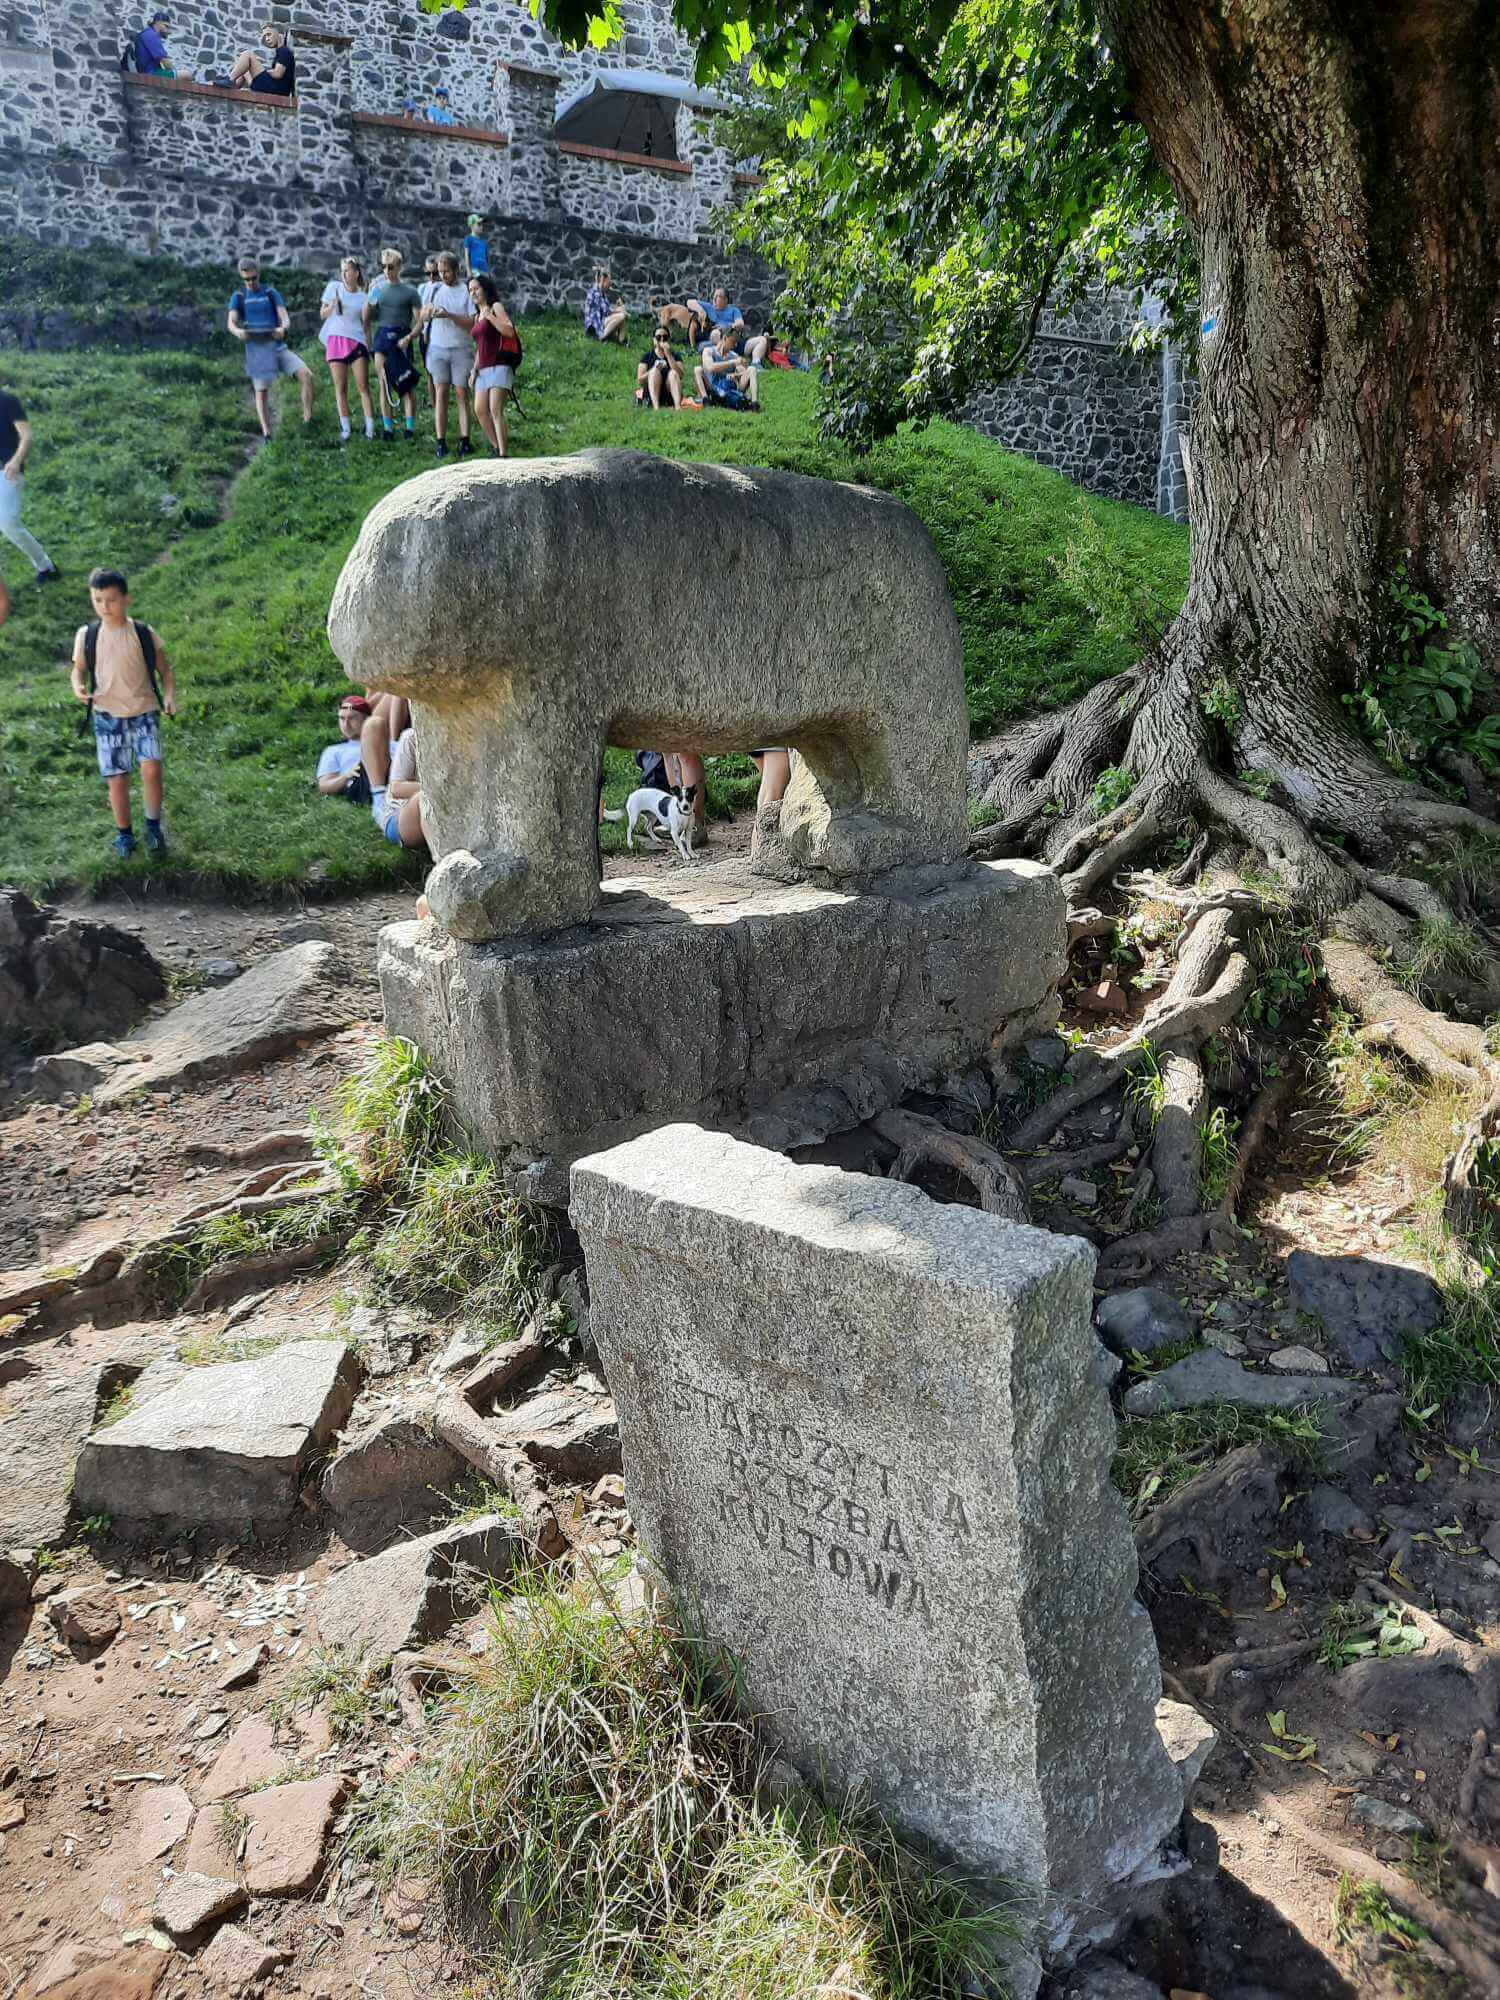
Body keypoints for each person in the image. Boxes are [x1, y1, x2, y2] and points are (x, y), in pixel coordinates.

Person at [70, 567, 176, 858]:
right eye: (98, 599)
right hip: (107, 716)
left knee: (152, 768)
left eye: (111, 600)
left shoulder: (142, 633)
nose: (105, 606)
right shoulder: (87, 635)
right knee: (117, 778)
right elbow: (77, 671)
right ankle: (124, 835)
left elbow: (165, 671)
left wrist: (169, 697)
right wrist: (78, 688)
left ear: (127, 599)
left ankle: (153, 827)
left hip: (144, 710)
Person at [227, 256, 315, 435]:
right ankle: (267, 433)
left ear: (259, 274)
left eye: (254, 278)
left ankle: (308, 420)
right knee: (261, 391)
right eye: (247, 279)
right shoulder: (239, 297)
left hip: (278, 347)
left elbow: (285, 317)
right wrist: (238, 332)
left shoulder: (270, 293)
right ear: (242, 278)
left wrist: (283, 328)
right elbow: (231, 322)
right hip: (258, 351)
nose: (251, 282)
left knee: (306, 375)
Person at [0, 381, 59, 586]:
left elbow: (27, 436)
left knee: (7, 521)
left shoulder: (8, 401)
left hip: (7, 471)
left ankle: (45, 566)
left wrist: (16, 461)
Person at [422, 251, 475, 458]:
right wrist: (427, 314)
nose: (443, 275)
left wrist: (448, 315)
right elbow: (423, 316)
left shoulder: (465, 292)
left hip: (461, 348)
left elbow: (471, 322)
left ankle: (465, 440)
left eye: (446, 271)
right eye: (440, 272)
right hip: (437, 347)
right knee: (441, 393)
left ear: (456, 270)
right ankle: (441, 441)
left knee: (462, 394)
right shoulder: (434, 290)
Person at [365, 249, 422, 441]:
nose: (387, 271)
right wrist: (369, 296)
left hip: (402, 336)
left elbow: (420, 321)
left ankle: (409, 427)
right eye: (384, 267)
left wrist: (411, 337)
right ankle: (388, 429)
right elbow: (367, 317)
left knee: (406, 383)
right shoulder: (378, 290)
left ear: (399, 267)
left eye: (391, 267)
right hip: (382, 336)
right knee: (384, 384)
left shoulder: (410, 291)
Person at [319, 256, 375, 442]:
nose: (343, 273)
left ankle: (370, 428)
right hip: (336, 340)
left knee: (363, 386)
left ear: (356, 273)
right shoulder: (334, 288)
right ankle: (346, 428)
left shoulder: (363, 297)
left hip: (357, 341)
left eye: (347, 270)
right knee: (340, 387)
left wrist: (369, 346)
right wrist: (333, 305)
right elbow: (323, 314)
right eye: (342, 270)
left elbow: (366, 324)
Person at [466, 273, 518, 457]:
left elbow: (509, 331)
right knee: (480, 410)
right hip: (484, 367)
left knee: (495, 409)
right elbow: (480, 347)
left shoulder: (495, 307)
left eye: (476, 288)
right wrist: (474, 370)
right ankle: (496, 446)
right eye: (470, 290)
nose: (473, 293)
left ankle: (504, 454)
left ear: (485, 289)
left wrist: (491, 318)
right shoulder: (476, 317)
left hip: (500, 364)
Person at [376, 725, 425, 847]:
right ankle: (440, 859)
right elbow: (397, 789)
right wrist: (438, 789)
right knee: (425, 797)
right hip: (400, 816)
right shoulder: (412, 737)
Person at [315, 693, 372, 796]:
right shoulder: (333, 751)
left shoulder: (391, 744)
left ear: (366, 719)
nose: (346, 724)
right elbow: (324, 786)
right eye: (342, 718)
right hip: (361, 784)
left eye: (352, 718)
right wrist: (347, 776)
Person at [694, 325, 759, 410]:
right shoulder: (709, 351)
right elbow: (710, 367)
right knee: (698, 369)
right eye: (733, 342)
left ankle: (754, 404)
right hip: (712, 386)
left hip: (729, 386)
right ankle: (706, 400)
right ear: (725, 338)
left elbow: (742, 371)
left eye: (736, 342)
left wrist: (735, 375)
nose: (735, 345)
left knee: (752, 369)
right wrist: (731, 363)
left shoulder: (734, 355)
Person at [223, 23, 295, 94]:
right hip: (268, 88)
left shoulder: (284, 51)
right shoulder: (280, 52)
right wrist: (257, 68)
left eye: (269, 34)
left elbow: (278, 73)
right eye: (265, 36)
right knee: (244, 66)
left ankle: (230, 80)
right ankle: (232, 88)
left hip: (275, 90)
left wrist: (260, 70)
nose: (267, 39)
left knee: (247, 54)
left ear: (279, 34)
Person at [635, 325, 683, 410]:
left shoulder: (675, 356)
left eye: (665, 337)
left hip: (669, 391)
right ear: (654, 340)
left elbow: (680, 375)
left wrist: (668, 355)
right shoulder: (647, 356)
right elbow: (640, 380)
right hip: (652, 391)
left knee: (673, 373)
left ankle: (677, 407)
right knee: (654, 372)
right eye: (658, 337)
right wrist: (654, 369)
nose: (662, 340)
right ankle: (656, 408)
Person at [583, 268, 627, 344]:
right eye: (609, 282)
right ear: (603, 280)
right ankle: (601, 337)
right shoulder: (596, 292)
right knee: (622, 316)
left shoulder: (602, 293)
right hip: (595, 325)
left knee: (622, 315)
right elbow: (607, 311)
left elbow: (607, 311)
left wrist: (618, 307)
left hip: (601, 321)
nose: (610, 285)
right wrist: (620, 310)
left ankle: (622, 341)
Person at [134, 11, 175, 75]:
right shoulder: (151, 35)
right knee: (186, 75)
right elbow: (165, 61)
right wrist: (174, 72)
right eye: (166, 26)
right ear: (157, 23)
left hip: (147, 72)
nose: (169, 32)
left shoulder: (148, 33)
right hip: (149, 73)